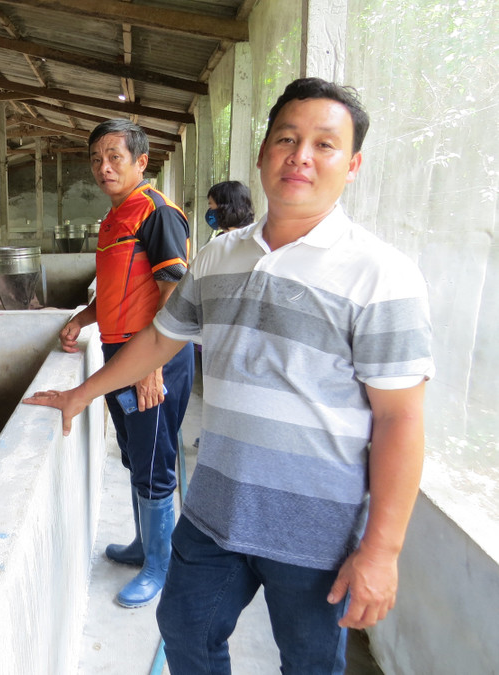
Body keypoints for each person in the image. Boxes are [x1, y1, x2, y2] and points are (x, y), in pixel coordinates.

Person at [24, 78, 434, 673]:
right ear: (264, 152)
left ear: (353, 164)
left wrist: (381, 551)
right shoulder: (220, 256)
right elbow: (162, 336)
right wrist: (80, 394)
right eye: (287, 139)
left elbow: (401, 419)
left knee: (309, 662)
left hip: (313, 527)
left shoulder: (382, 276)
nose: (301, 157)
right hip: (215, 509)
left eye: (325, 144)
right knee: (185, 633)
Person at [56, 118, 194, 609]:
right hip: (123, 355)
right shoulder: (114, 218)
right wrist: (84, 317)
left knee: (155, 462)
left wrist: (153, 363)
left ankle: (161, 565)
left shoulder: (157, 213)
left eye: (115, 156)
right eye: (96, 158)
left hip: (151, 357)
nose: (103, 167)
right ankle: (144, 546)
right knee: (138, 455)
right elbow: (120, 290)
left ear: (142, 161)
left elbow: (174, 293)